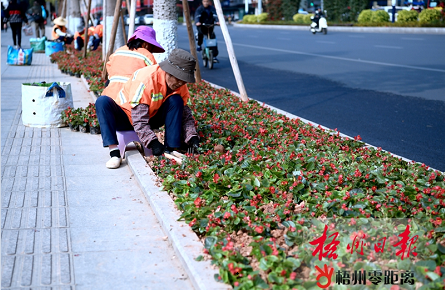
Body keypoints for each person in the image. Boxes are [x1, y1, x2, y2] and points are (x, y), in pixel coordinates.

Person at [95, 49, 200, 169]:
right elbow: (139, 120)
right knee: (102, 101)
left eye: (184, 80)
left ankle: (170, 149)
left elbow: (185, 115)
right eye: (178, 78)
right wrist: (153, 143)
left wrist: (192, 137)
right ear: (168, 72)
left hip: (151, 118)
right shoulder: (146, 80)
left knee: (176, 100)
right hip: (126, 116)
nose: (180, 83)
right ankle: (114, 153)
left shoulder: (180, 85)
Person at [101, 26, 164, 103]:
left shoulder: (118, 51)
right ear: (146, 44)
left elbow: (110, 72)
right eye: (152, 46)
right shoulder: (148, 56)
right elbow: (155, 78)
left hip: (110, 97)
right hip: (131, 100)